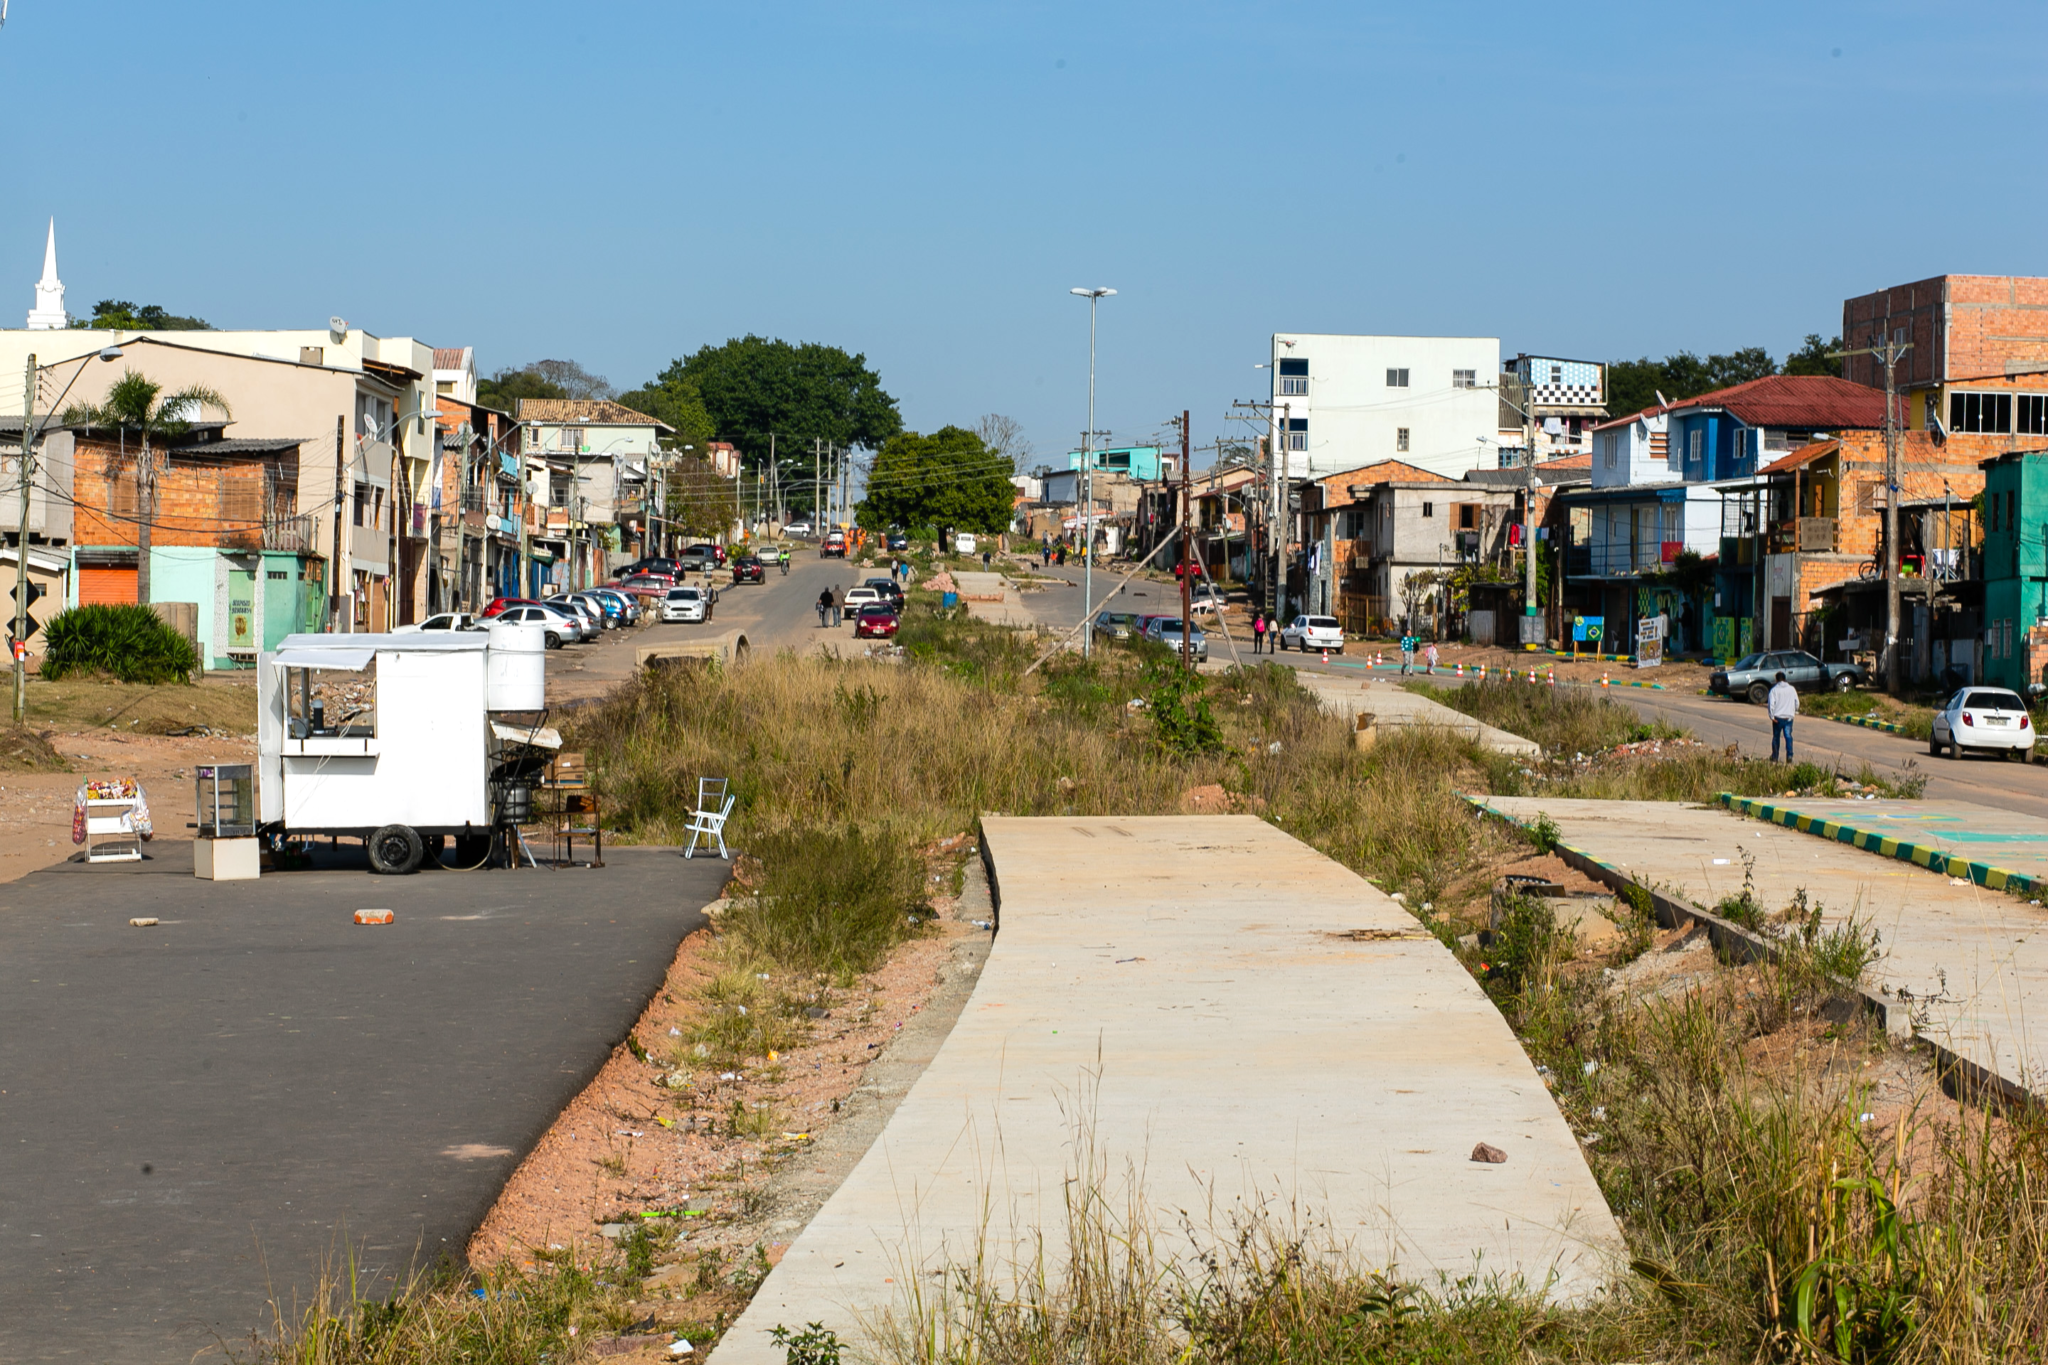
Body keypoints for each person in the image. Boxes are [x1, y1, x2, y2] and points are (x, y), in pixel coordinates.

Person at [1768, 670, 1799, 762]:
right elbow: (1797, 702)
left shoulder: (1774, 690)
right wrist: (1794, 711)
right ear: (1785, 679)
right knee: (1788, 736)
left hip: (1778, 718)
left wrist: (1771, 716)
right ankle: (1789, 755)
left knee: (1776, 737)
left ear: (1776, 680)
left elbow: (1771, 705)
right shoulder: (1792, 689)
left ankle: (1775, 756)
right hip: (1788, 717)